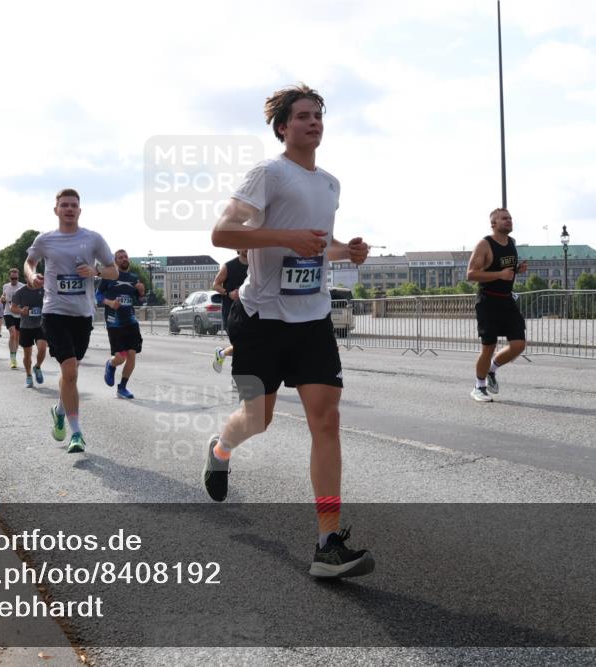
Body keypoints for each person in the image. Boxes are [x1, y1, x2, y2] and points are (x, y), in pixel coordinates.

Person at [203, 84, 373, 579]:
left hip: (312, 318)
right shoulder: (267, 174)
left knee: (327, 419)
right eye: (302, 116)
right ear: (282, 126)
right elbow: (221, 233)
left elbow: (318, 246)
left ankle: (328, 544)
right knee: (258, 420)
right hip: (261, 320)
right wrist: (284, 236)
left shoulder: (330, 184)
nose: (313, 122)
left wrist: (347, 251)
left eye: (318, 115)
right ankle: (221, 448)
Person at [25, 188, 117, 453]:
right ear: (56, 210)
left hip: (83, 314)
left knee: (70, 372)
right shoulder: (45, 240)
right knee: (70, 371)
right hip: (54, 312)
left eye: (73, 205)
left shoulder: (93, 239)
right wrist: (31, 276)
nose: (69, 209)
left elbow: (113, 270)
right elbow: (29, 263)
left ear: (80, 210)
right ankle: (76, 433)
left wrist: (96, 270)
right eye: (64, 205)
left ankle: (59, 411)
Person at [466, 208, 528, 402]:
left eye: (510, 218)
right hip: (488, 301)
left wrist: (518, 269)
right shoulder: (484, 244)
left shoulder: (511, 243)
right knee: (489, 346)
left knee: (518, 344)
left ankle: (492, 369)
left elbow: (504, 267)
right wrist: (500, 275)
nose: (509, 221)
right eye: (504, 219)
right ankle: (479, 386)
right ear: (493, 224)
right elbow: (471, 274)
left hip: (507, 299)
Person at [97, 249, 145, 399]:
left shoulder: (133, 278)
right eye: (120, 257)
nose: (124, 259)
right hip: (114, 322)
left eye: (125, 256)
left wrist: (141, 292)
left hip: (130, 321)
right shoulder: (108, 277)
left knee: (131, 355)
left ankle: (122, 387)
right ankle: (111, 365)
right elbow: (97, 295)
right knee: (120, 358)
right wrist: (110, 302)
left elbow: (139, 300)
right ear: (115, 261)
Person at [211, 249, 249, 375]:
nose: (247, 248)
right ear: (238, 248)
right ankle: (237, 377)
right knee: (240, 345)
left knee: (249, 345)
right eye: (244, 245)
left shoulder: (256, 265)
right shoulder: (229, 266)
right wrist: (229, 293)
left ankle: (222, 353)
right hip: (231, 312)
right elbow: (216, 285)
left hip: (251, 311)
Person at [11, 283, 47, 388]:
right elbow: (12, 308)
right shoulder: (20, 292)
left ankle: (37, 367)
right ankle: (28, 375)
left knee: (43, 348)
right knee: (27, 354)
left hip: (40, 325)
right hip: (26, 326)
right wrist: (21, 311)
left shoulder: (43, 289)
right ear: (26, 278)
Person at [2, 268, 25, 369]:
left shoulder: (23, 286)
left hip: (19, 314)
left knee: (17, 337)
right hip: (8, 312)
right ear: (9, 277)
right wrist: (2, 299)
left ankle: (14, 355)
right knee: (12, 334)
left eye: (16, 278)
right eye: (12, 278)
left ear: (18, 277)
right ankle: (12, 358)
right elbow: (3, 297)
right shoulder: (5, 286)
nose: (14, 280)